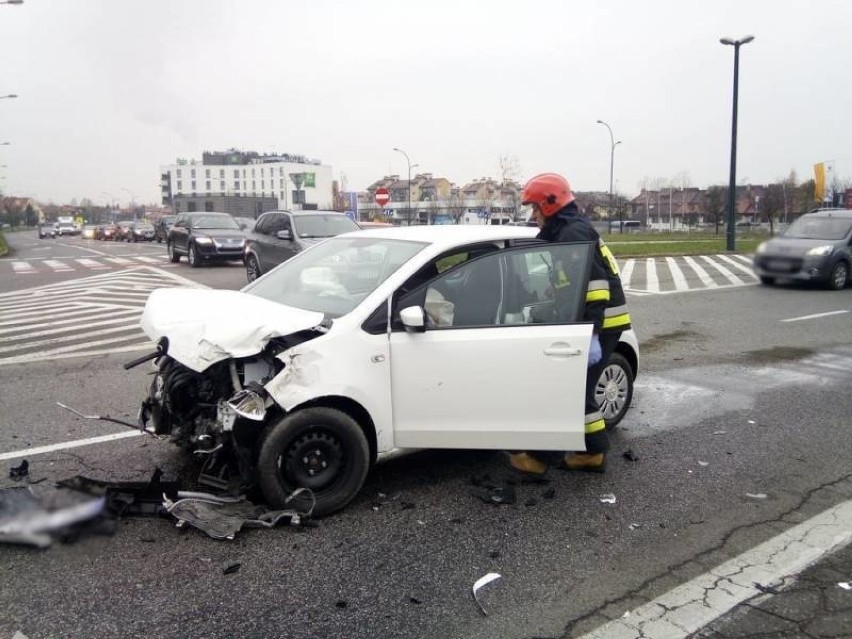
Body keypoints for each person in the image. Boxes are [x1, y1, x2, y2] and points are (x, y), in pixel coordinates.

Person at [508, 172, 631, 475]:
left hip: (599, 324)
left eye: (535, 208)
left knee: (567, 391)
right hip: (596, 322)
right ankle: (591, 454)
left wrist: (591, 333)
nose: (533, 215)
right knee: (579, 391)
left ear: (549, 205)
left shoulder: (572, 234)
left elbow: (596, 286)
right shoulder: (566, 231)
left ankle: (541, 460)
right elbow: (571, 278)